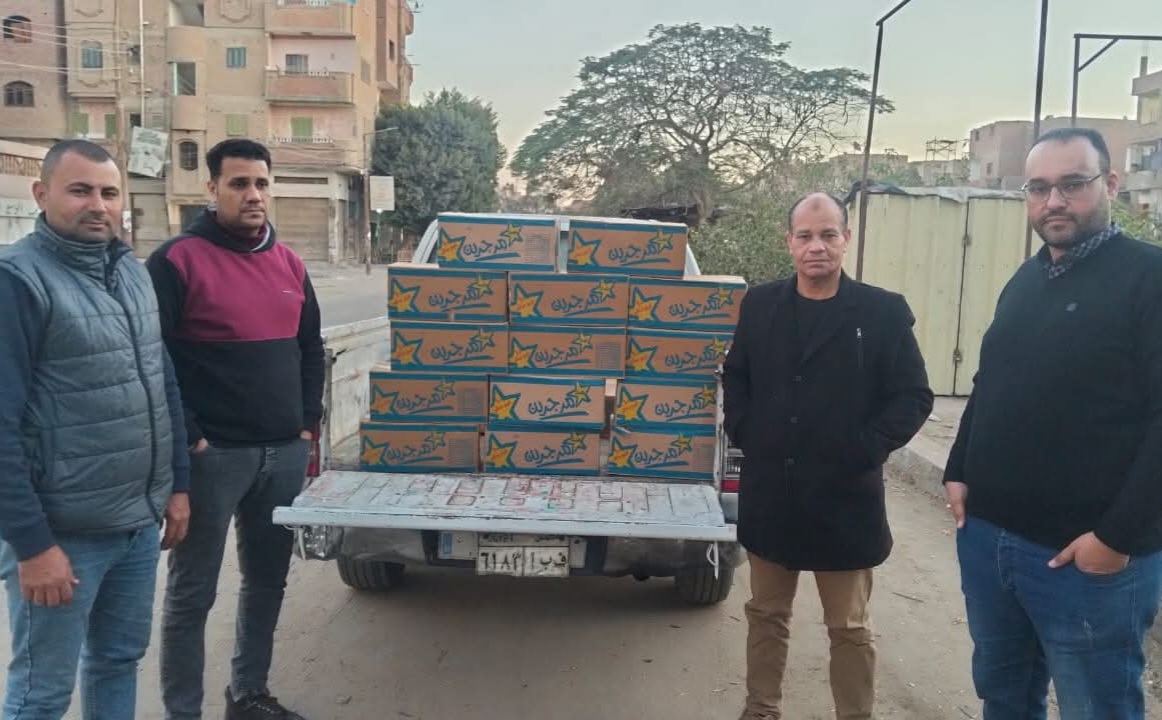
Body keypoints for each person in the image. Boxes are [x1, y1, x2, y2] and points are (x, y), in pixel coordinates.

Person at [945, 127, 1162, 720]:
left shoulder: (1148, 279)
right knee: (1005, 696)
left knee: (1096, 707)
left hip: (1084, 561)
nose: (1053, 202)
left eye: (1072, 184)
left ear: (1110, 184)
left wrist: (1115, 540)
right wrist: (959, 467)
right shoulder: (1029, 277)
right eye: (1038, 189)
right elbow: (991, 380)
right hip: (991, 541)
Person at [723, 192, 934, 720]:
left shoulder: (882, 312)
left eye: (828, 235)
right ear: (789, 242)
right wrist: (748, 431)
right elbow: (737, 376)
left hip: (845, 498)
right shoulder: (760, 305)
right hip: (772, 494)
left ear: (846, 239)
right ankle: (761, 708)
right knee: (765, 613)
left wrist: (865, 447)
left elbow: (913, 396)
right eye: (805, 236)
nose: (816, 246)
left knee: (849, 627)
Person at [0, 139, 191, 719]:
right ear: (42, 194)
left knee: (117, 661)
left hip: (136, 525)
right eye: (80, 190)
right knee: (41, 693)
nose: (98, 205)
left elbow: (162, 381)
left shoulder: (131, 271)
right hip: (65, 535)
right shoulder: (18, 281)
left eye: (109, 193)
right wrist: (34, 546)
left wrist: (178, 485)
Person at [147, 138, 325, 720]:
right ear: (212, 188)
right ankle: (183, 711)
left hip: (282, 454)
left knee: (267, 581)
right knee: (192, 594)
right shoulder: (176, 262)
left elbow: (309, 349)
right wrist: (191, 438)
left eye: (262, 184)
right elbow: (153, 359)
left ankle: (249, 695)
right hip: (213, 458)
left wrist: (307, 425)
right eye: (239, 183)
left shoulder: (290, 263)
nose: (253, 195)